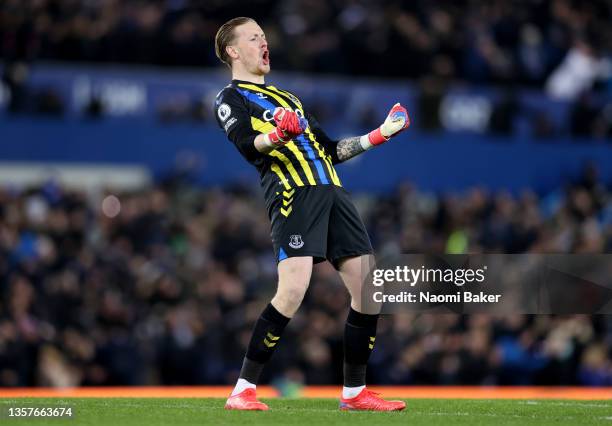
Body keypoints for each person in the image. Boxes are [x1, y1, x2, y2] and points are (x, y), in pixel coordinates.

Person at [213, 17, 410, 412]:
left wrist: (380, 134)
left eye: (265, 37)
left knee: (369, 291)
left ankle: (354, 393)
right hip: (294, 194)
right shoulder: (231, 99)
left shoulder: (290, 99)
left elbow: (332, 150)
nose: (264, 43)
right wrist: (279, 135)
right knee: (292, 291)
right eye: (254, 38)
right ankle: (243, 389)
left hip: (334, 192)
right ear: (233, 51)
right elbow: (249, 146)